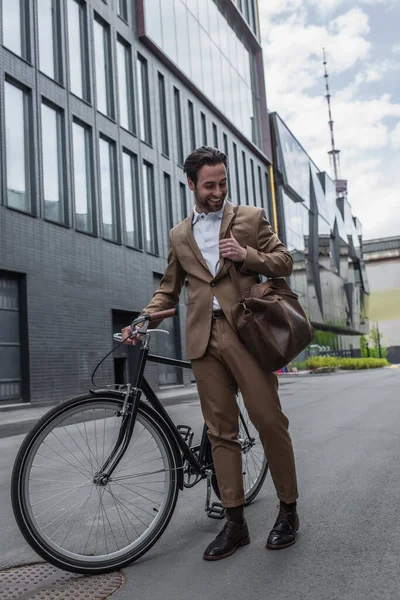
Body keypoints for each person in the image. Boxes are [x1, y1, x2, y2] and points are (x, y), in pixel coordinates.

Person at [122, 147, 299, 561]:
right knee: (221, 433)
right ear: (191, 184)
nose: (218, 191)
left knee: (270, 422)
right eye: (209, 185)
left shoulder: (251, 219)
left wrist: (248, 255)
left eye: (222, 183)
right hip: (203, 340)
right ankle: (235, 524)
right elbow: (169, 288)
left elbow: (285, 261)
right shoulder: (179, 235)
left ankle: (288, 511)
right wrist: (143, 319)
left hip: (248, 335)